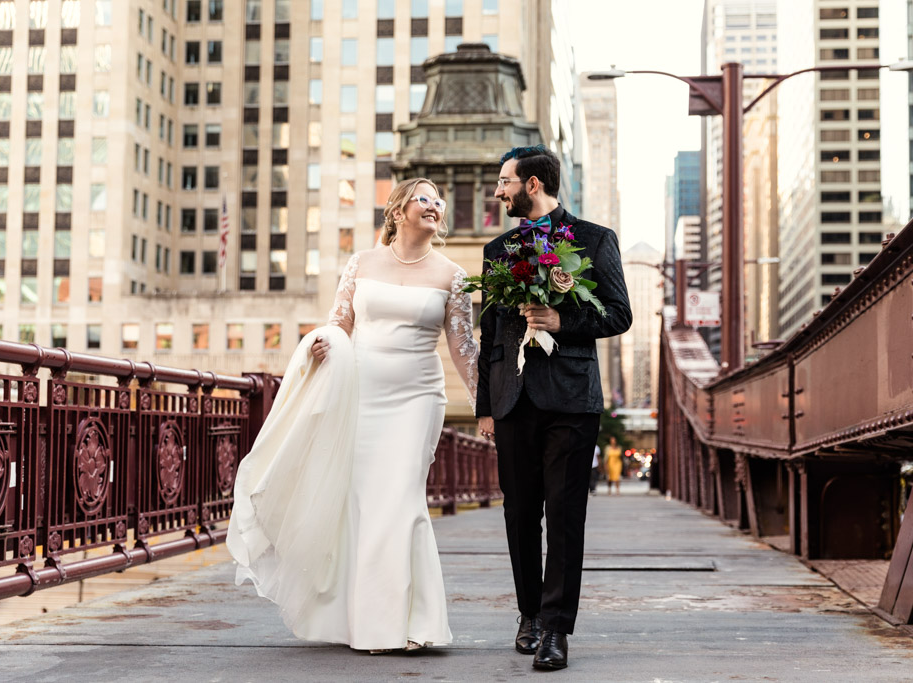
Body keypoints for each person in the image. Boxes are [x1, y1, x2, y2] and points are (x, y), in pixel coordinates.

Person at [228, 178, 478, 654]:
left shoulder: (453, 275)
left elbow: (464, 349)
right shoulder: (361, 263)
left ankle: (411, 622)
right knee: (363, 503)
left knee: (401, 500)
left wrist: (486, 406)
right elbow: (340, 322)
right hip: (361, 393)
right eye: (424, 197)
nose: (435, 205)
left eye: (439, 201)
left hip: (418, 397)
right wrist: (323, 344)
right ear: (399, 208)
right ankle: (365, 622)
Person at [476, 145, 632, 671]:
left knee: (565, 515)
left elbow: (618, 314)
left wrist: (563, 322)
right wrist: (484, 405)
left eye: (505, 181)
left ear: (533, 184)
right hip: (512, 398)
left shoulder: (594, 240)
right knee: (520, 513)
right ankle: (528, 613)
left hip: (571, 397)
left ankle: (556, 629)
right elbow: (491, 332)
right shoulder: (497, 249)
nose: (499, 191)